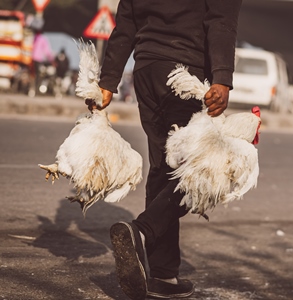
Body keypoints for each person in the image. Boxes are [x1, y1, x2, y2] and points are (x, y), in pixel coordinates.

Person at [87, 1, 243, 299]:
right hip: (187, 73)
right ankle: (141, 230)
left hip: (147, 71)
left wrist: (108, 80)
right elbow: (222, 19)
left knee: (164, 168)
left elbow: (127, 21)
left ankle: (163, 274)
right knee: (201, 171)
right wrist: (222, 78)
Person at [30, 30, 53, 97]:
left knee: (32, 75)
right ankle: (36, 90)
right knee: (39, 75)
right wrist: (51, 59)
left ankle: (32, 90)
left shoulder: (35, 37)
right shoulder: (43, 39)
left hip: (32, 58)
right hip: (38, 59)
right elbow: (47, 51)